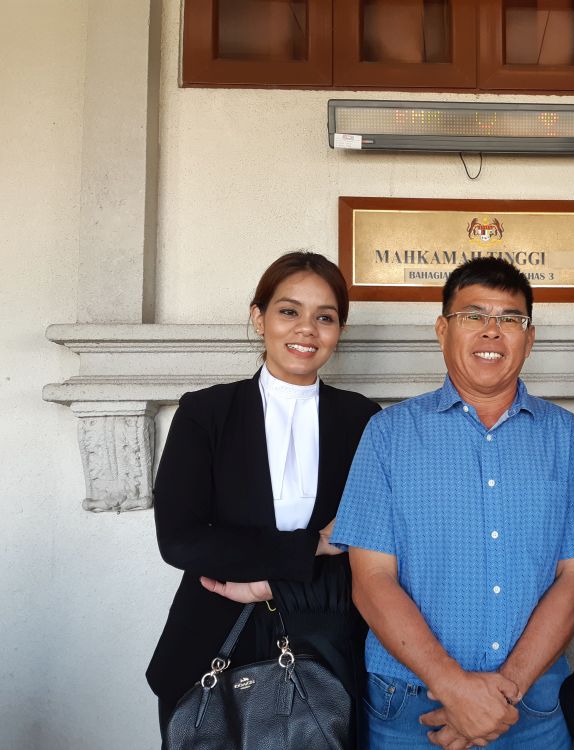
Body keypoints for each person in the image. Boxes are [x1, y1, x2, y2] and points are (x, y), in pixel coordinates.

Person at [332, 257, 574, 749]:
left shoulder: (567, 439)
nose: (492, 332)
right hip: (408, 707)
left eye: (510, 319)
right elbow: (371, 581)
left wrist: (500, 695)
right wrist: (452, 686)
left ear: (529, 338)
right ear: (442, 329)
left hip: (530, 707)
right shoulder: (388, 434)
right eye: (474, 316)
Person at [146, 251, 380, 746]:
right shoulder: (205, 412)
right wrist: (311, 546)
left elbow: (371, 545)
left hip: (328, 640)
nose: (307, 330)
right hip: (212, 636)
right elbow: (183, 541)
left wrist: (270, 578)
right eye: (289, 311)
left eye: (325, 317)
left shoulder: (362, 420)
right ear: (259, 318)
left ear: (340, 329)